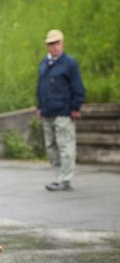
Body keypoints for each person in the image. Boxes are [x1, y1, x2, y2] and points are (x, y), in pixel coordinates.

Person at [36, 29, 86, 191]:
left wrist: (75, 107)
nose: (54, 47)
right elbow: (40, 87)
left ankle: (65, 179)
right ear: (47, 46)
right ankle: (58, 177)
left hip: (64, 112)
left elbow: (78, 87)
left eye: (57, 43)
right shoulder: (44, 63)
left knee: (65, 146)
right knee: (51, 146)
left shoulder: (69, 63)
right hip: (47, 112)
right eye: (51, 44)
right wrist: (39, 107)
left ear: (62, 44)